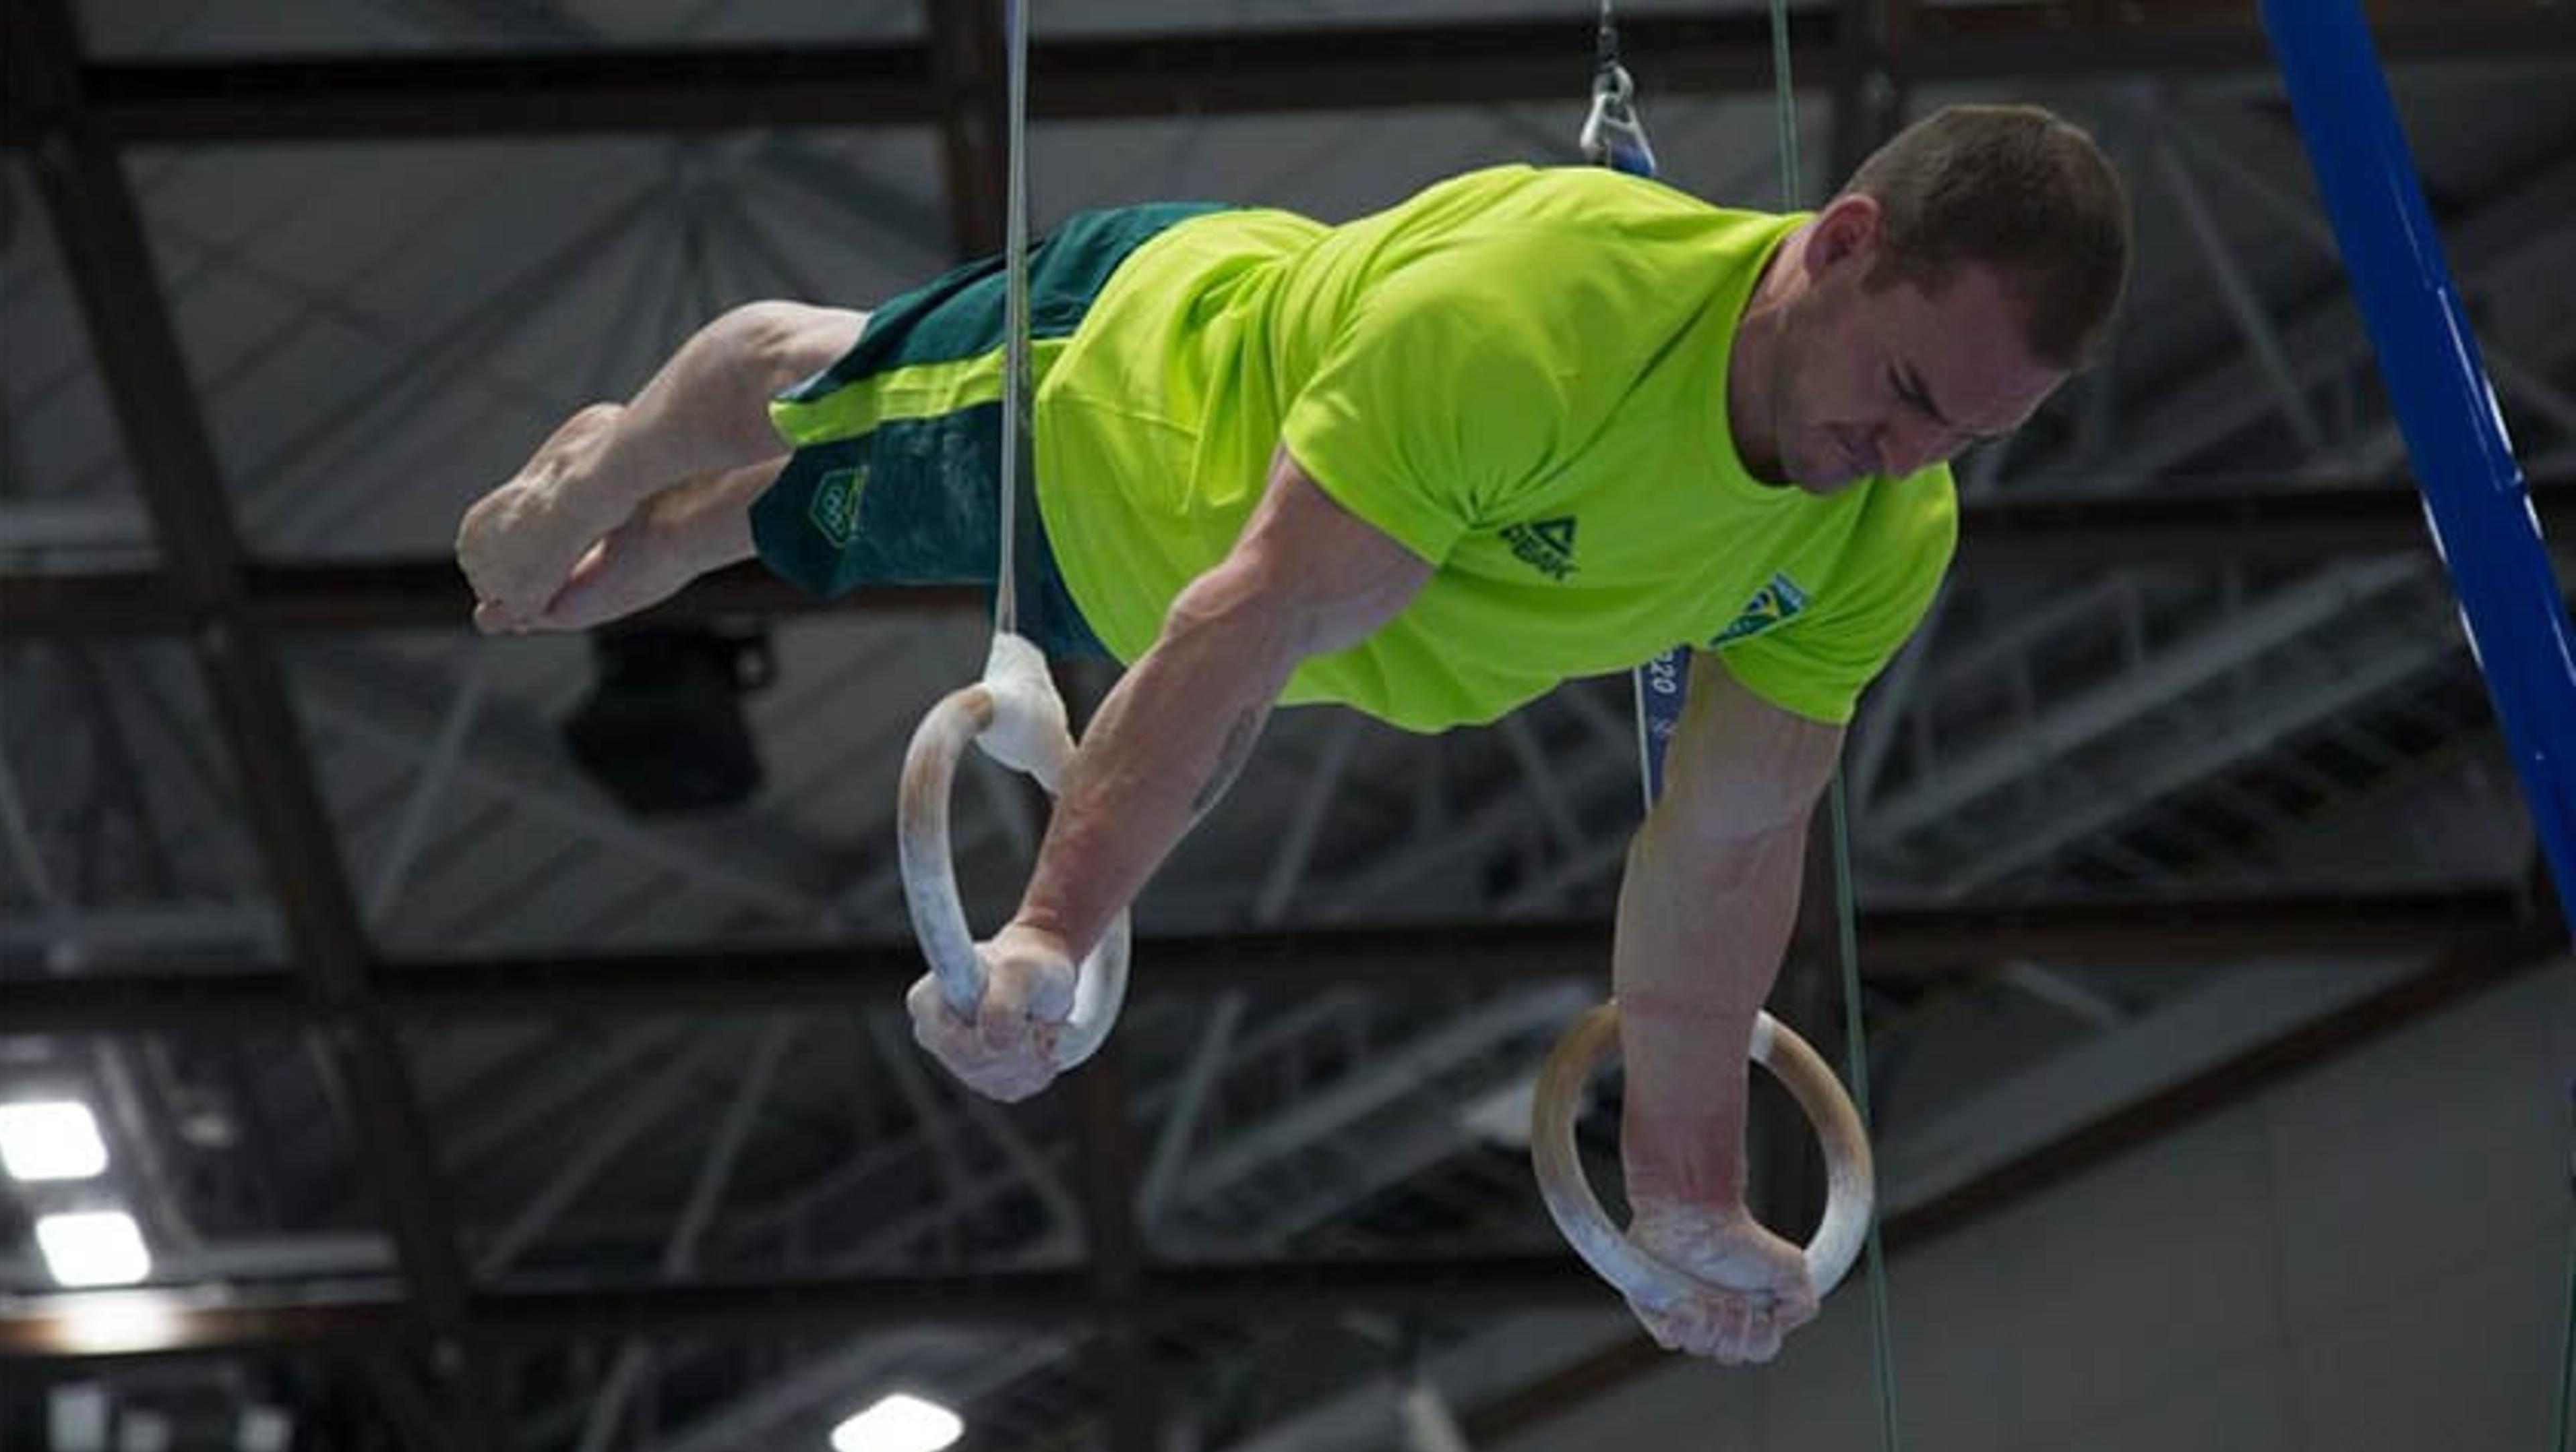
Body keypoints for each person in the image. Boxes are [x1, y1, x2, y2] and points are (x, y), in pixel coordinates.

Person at [456, 102, 2130, 1366]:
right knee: (819, 388)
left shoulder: (1883, 533)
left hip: (1231, 605)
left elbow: (1730, 847)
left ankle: (682, 534)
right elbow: (1241, 625)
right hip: (1129, 417)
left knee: (798, 516)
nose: (1902, 458)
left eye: (1965, 438)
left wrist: (1682, 1188)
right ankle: (608, 468)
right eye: (1906, 393)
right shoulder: (1539, 324)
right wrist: (1051, 928)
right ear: (1840, 245)